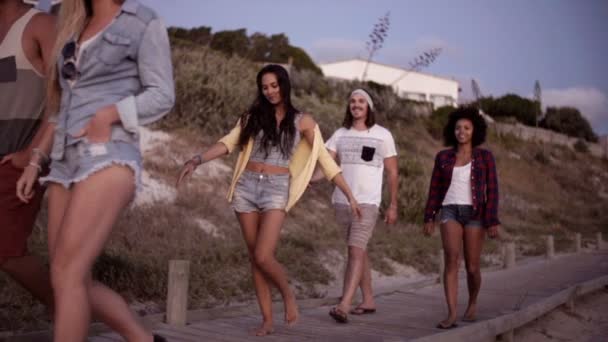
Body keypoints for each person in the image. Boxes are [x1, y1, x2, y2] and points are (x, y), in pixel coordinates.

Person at [16, 0, 175, 340]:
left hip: (108, 154)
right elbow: (60, 108)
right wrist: (35, 160)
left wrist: (110, 114)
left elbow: (162, 94)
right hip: (63, 162)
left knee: (66, 272)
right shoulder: (70, 25)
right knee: (72, 278)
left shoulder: (142, 21)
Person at [177, 64, 362, 336]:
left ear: (284, 85)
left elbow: (324, 158)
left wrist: (349, 195)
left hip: (276, 188)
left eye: (274, 85)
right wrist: (196, 160)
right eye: (265, 87)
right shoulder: (252, 116)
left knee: (264, 255)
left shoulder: (303, 121)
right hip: (246, 187)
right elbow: (228, 143)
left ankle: (287, 295)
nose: (270, 91)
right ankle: (266, 320)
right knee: (255, 259)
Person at [321, 89, 399, 324]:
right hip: (342, 202)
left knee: (355, 251)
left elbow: (393, 172)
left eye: (361, 101)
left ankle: (344, 305)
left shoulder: (383, 135)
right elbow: (325, 165)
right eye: (353, 101)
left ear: (369, 107)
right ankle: (368, 300)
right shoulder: (339, 134)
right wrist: (303, 179)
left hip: (368, 202)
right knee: (359, 249)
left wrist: (393, 204)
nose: (356, 105)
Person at [0, 0, 56, 310]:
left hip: (18, 160)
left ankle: (70, 313)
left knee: (7, 252)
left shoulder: (41, 25)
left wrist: (31, 156)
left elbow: (62, 96)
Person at [422, 106, 500, 329]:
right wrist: (429, 216)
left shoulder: (485, 157)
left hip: (475, 213)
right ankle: (452, 314)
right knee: (452, 261)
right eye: (458, 128)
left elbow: (492, 191)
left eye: (466, 127)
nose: (462, 131)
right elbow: (435, 189)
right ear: (452, 131)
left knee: (473, 267)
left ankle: (473, 302)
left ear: (475, 130)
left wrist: (492, 220)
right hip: (449, 210)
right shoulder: (443, 157)